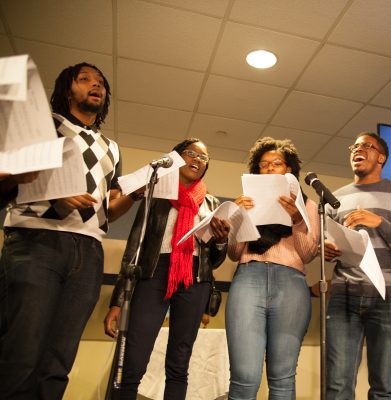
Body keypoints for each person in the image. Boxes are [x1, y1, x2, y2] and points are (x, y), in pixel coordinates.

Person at [0, 62, 135, 398]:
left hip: (89, 251)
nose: (96, 85)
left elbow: (108, 210)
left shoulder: (112, 147)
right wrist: (53, 190)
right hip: (37, 239)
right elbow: (9, 174)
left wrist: (135, 195)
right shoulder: (43, 127)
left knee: (59, 357)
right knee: (21, 350)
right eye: (85, 79)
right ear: (66, 88)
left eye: (101, 82)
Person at [103, 138, 230, 399]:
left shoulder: (211, 203)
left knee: (179, 364)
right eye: (190, 153)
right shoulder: (156, 193)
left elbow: (214, 260)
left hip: (195, 279)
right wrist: (118, 300)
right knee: (133, 359)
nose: (197, 159)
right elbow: (134, 247)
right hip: (154, 273)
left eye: (203, 157)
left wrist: (221, 240)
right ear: (176, 157)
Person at [324, 132, 391, 400]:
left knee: (382, 385)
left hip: (387, 296)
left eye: (366, 146)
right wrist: (328, 249)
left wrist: (380, 223)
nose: (358, 149)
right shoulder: (336, 198)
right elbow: (328, 243)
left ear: (381, 157)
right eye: (354, 146)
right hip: (343, 294)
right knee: (337, 384)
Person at [227, 137, 319, 399]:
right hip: (249, 278)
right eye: (263, 164)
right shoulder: (246, 203)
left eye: (276, 163)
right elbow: (234, 254)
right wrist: (236, 219)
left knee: (282, 377)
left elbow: (309, 254)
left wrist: (298, 221)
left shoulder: (308, 206)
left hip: (291, 283)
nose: (269, 168)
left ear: (289, 169)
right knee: (244, 376)